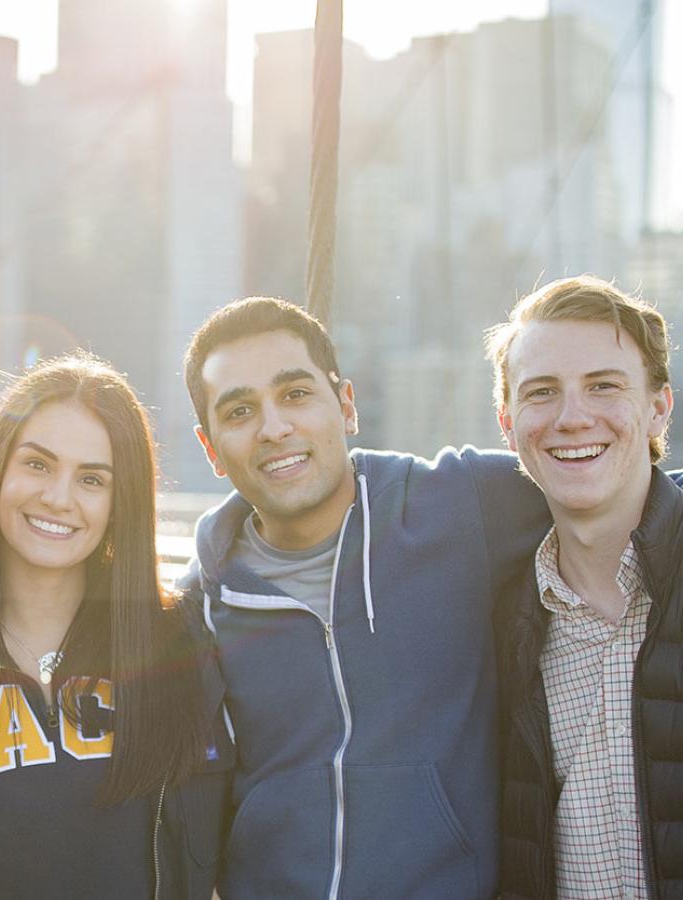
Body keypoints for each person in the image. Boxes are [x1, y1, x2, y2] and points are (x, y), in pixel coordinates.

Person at [179, 297, 553, 898]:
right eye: (241, 411)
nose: (275, 428)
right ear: (211, 448)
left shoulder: (458, 506)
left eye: (296, 394)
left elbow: (634, 490)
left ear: (346, 404)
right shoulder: (198, 608)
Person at [0, 351, 232, 900]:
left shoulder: (181, 641)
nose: (58, 498)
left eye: (92, 480)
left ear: (120, 501)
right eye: (37, 464)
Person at [486, 277, 683, 899]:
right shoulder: (501, 624)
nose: (573, 418)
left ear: (659, 406)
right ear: (508, 423)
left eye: (604, 385)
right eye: (542, 392)